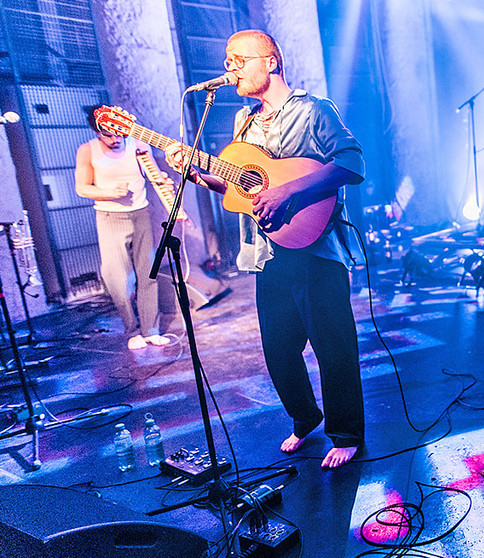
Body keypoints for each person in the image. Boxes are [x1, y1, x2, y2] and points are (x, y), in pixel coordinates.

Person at [165, 30, 366, 469]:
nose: (230, 68)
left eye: (239, 59)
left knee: (333, 347)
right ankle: (305, 416)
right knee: (278, 349)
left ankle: (347, 432)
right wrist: (197, 173)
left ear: (270, 62)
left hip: (317, 248)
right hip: (267, 252)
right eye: (227, 60)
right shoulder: (244, 120)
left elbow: (352, 163)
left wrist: (289, 191)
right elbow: (239, 188)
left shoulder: (314, 110)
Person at [75, 106, 170, 351]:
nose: (115, 138)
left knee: (148, 273)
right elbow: (82, 187)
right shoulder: (88, 150)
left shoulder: (138, 144)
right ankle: (132, 330)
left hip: (140, 213)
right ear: (97, 131)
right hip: (109, 217)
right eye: (108, 134)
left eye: (119, 133)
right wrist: (108, 193)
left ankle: (151, 330)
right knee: (117, 278)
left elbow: (154, 176)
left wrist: (165, 185)